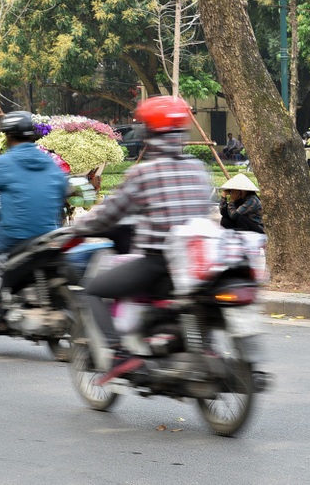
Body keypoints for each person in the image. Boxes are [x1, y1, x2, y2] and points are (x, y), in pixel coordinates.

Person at [72, 95, 213, 380]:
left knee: (92, 290)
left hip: (159, 263)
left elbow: (109, 214)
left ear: (149, 131)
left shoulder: (143, 173)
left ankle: (116, 352)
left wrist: (78, 227)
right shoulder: (198, 169)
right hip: (200, 263)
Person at [0, 112, 69, 324]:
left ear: (7, 137)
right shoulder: (48, 161)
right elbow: (63, 188)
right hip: (50, 232)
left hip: (14, 233)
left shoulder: (5, 162)